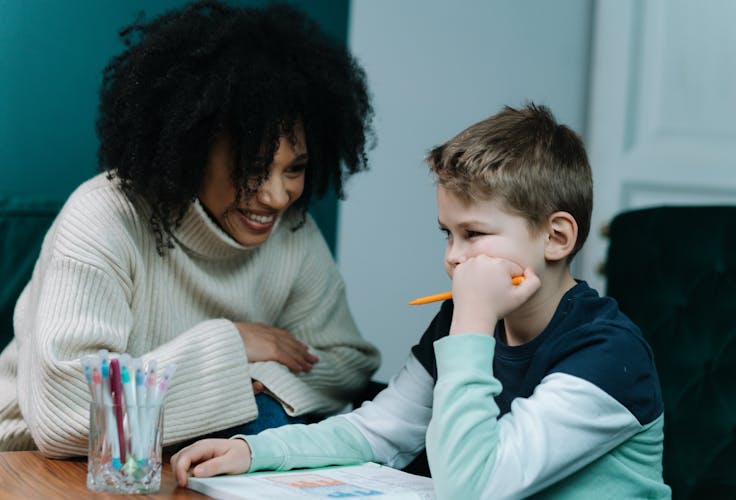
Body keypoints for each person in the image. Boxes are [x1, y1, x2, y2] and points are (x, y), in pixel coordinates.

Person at [170, 103, 671, 499]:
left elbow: (472, 488)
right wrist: (254, 451)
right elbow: (379, 431)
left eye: (474, 233)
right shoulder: (464, 321)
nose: (453, 258)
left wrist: (473, 322)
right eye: (446, 234)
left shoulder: (608, 356)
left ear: (557, 237)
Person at [0, 0, 381, 457]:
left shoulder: (292, 234)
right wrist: (232, 344)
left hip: (188, 466)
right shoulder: (104, 217)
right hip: (32, 467)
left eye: (294, 169)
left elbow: (346, 363)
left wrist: (259, 384)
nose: (277, 197)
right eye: (254, 169)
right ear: (191, 150)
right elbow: (71, 416)